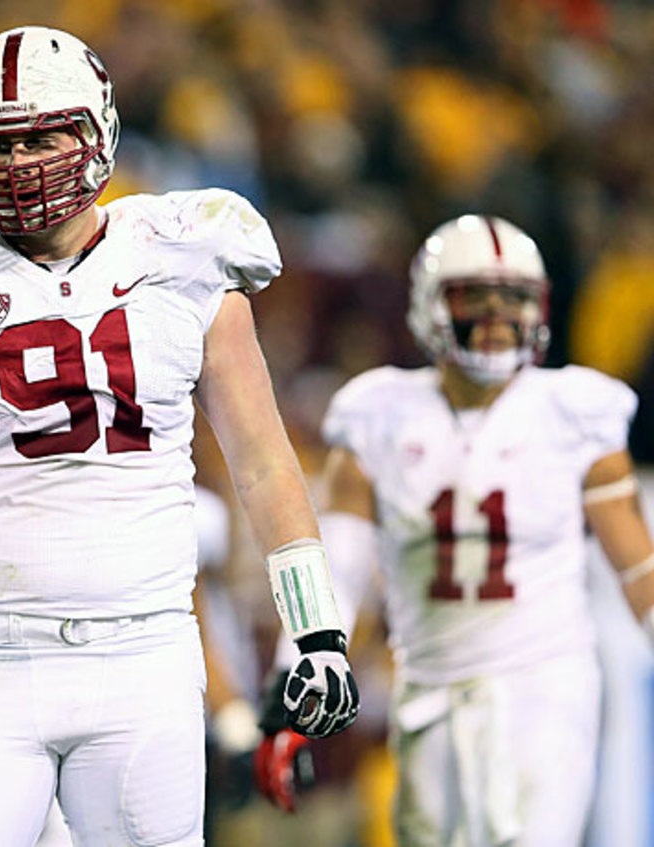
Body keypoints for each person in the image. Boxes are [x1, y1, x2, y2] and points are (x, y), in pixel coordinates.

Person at [0, 26, 359, 846]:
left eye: (41, 135)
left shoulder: (185, 257)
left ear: (97, 129)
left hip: (144, 652)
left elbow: (263, 461)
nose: (20, 163)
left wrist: (317, 627)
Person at [264, 214, 654, 845]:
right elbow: (340, 566)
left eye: (516, 298)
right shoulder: (380, 415)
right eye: (477, 296)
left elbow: (640, 570)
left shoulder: (575, 413)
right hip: (429, 685)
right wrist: (294, 677)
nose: (499, 316)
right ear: (430, 303)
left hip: (545, 687)